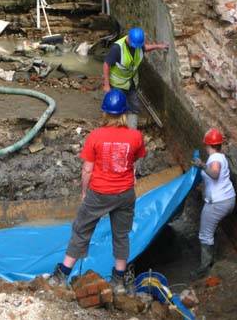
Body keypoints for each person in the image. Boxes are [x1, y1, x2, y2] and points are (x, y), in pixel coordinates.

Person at [48, 88, 147, 294]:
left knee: (81, 230)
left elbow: (87, 169)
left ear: (105, 112)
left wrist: (85, 192)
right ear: (124, 113)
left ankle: (62, 275)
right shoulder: (136, 136)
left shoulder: (95, 136)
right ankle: (118, 281)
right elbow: (135, 159)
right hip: (125, 193)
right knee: (121, 235)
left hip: (100, 192)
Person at [190, 128, 236, 279]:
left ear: (207, 145)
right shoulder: (221, 156)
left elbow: (215, 174)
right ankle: (213, 256)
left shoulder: (214, 159)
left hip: (217, 203)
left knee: (204, 234)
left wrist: (202, 165)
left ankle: (205, 268)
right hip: (229, 199)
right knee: (211, 228)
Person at [103, 27, 169, 129]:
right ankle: (115, 130)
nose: (136, 48)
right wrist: (106, 85)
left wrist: (158, 46)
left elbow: (144, 48)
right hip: (117, 84)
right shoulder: (117, 48)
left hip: (131, 83)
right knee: (118, 107)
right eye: (134, 45)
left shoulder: (138, 45)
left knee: (134, 107)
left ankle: (131, 131)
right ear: (128, 39)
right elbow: (106, 65)